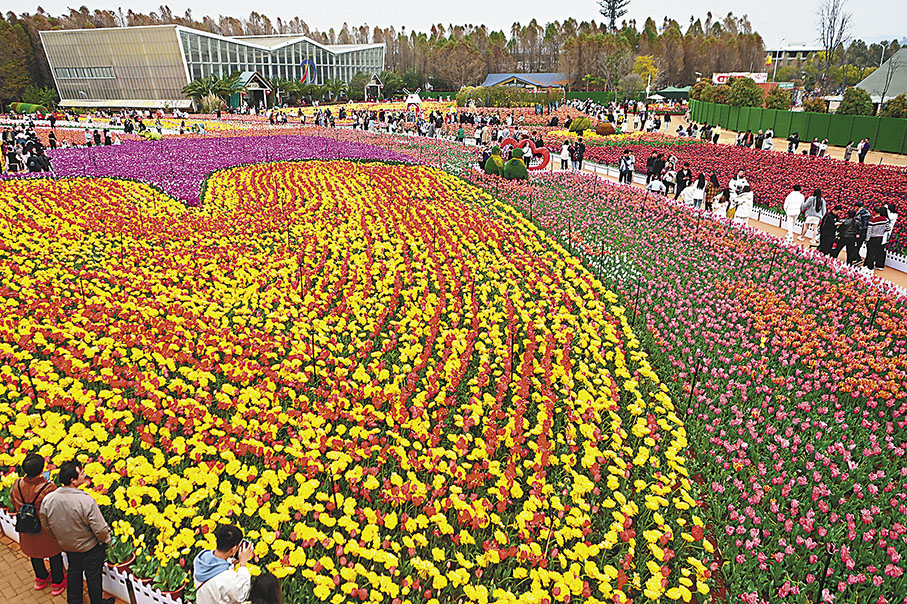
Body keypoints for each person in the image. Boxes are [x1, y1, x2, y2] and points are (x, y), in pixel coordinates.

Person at [41, 461, 112, 604]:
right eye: (81, 473)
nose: (84, 474)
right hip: (90, 547)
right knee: (93, 576)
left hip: (68, 546)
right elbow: (100, 529)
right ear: (73, 480)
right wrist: (106, 541)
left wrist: (60, 540)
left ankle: (74, 600)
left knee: (74, 571)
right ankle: (97, 601)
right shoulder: (85, 501)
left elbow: (46, 524)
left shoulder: (49, 499)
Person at [11, 454, 66, 596]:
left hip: (26, 526)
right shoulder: (48, 487)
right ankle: (57, 582)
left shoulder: (17, 484)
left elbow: (13, 502)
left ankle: (41, 578)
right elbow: (56, 508)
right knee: (54, 554)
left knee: (34, 554)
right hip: (45, 530)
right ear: (42, 469)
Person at [193, 525, 253, 604]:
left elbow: (215, 565)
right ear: (234, 549)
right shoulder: (227, 577)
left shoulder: (201, 559)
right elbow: (241, 595)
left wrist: (230, 562)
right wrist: (243, 565)